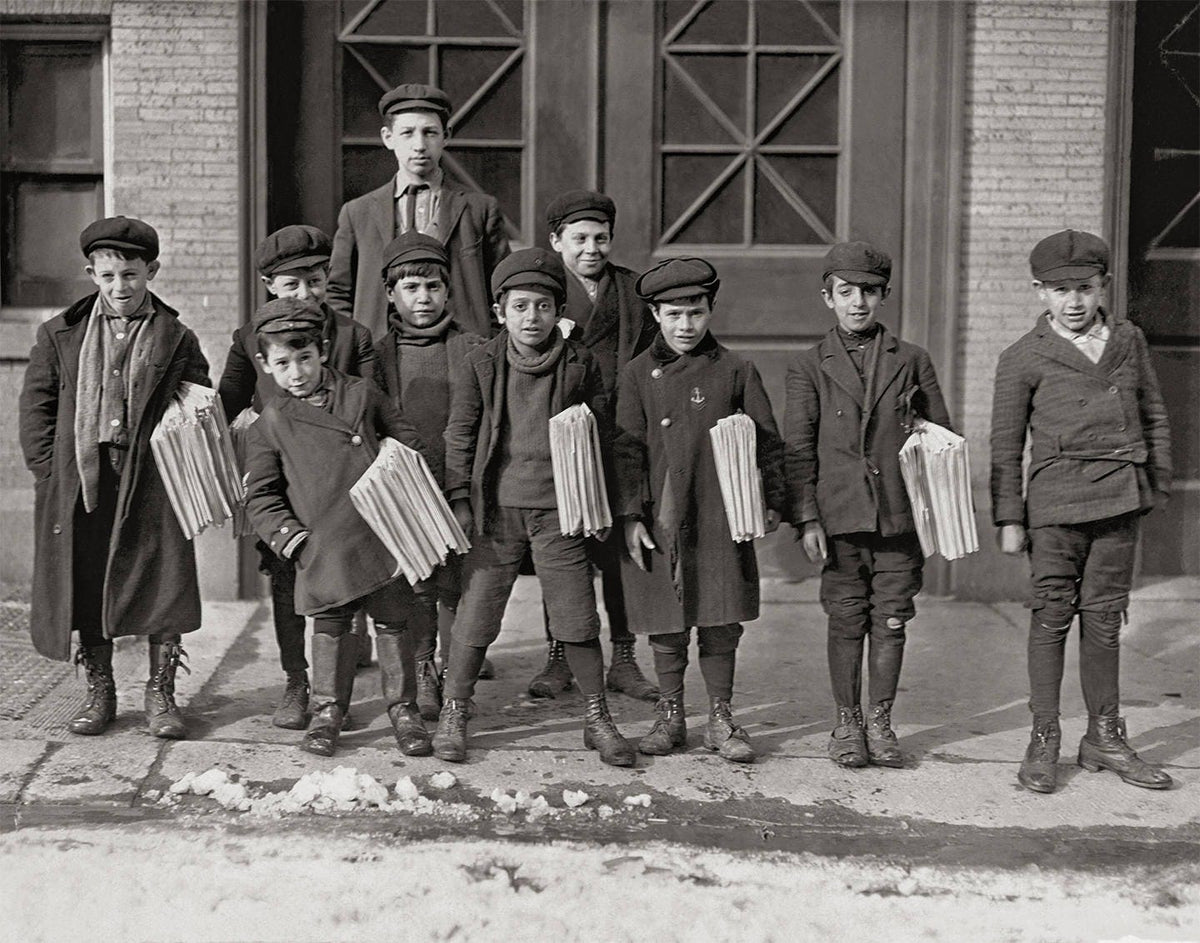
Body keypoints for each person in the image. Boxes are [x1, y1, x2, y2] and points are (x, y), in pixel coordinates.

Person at [433, 248, 635, 767]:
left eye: (543, 307)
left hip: (559, 511)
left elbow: (604, 434)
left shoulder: (579, 363)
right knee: (476, 615)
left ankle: (597, 717)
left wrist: (603, 503)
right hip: (496, 512)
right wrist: (459, 498)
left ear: (558, 312)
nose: (531, 318)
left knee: (576, 614)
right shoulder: (480, 361)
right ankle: (455, 709)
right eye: (520, 306)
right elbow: (461, 433)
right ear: (501, 311)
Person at [990, 229, 1173, 794]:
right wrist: (1010, 517)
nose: (1074, 302)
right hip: (1055, 505)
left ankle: (1104, 735)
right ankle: (1044, 736)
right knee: (1049, 619)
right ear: (1039, 291)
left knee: (1104, 622)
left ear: (1104, 287)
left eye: (1085, 288)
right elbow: (1006, 444)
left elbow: (1153, 414)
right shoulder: (1022, 357)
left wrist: (1155, 486)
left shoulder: (1129, 340)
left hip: (1119, 497)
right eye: (1060, 290)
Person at [18, 216, 210, 739]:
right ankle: (100, 690)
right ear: (92, 274)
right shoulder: (61, 334)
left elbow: (199, 403)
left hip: (152, 481)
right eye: (107, 277)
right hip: (84, 479)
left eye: (130, 275)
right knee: (89, 582)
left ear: (151, 271)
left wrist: (182, 455)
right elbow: (37, 408)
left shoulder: (175, 336)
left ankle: (161, 694)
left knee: (163, 584)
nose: (119, 287)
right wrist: (49, 473)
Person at [783, 241, 951, 769]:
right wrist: (807, 518)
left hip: (899, 517)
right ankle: (846, 723)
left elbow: (941, 438)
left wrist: (936, 511)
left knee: (893, 618)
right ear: (827, 297)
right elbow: (797, 450)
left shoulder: (913, 360)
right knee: (845, 617)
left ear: (884, 297)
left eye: (870, 293)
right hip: (839, 518)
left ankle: (880, 720)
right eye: (846, 292)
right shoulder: (808, 366)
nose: (858, 303)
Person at [242, 297, 434, 758]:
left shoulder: (363, 394)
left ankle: (403, 709)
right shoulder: (270, 424)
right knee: (331, 626)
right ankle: (328, 709)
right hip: (323, 545)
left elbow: (406, 440)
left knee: (393, 622)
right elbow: (261, 495)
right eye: (283, 363)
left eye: (305, 358)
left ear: (323, 352)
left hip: (381, 535)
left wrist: (399, 469)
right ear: (266, 366)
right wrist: (294, 540)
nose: (297, 373)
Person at [615, 257, 787, 764]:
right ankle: (670, 716)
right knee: (667, 619)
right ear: (654, 315)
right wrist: (630, 515)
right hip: (661, 513)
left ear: (711, 310)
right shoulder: (636, 375)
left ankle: (720, 717)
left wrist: (773, 500)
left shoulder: (735, 370)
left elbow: (768, 442)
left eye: (695, 313)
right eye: (673, 315)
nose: (685, 326)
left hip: (717, 513)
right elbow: (624, 449)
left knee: (719, 616)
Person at [217, 224, 375, 730]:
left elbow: (373, 406)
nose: (305, 294)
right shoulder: (249, 338)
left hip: (349, 485)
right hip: (287, 484)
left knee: (356, 585)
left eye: (315, 280)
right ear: (269, 286)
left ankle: (339, 693)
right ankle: (296, 681)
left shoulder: (353, 335)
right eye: (291, 285)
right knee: (287, 580)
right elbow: (228, 401)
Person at [526, 189, 659, 702]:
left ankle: (624, 658)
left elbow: (652, 358)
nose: (591, 249)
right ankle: (559, 655)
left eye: (601, 238)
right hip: (559, 436)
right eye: (579, 238)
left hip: (619, 434)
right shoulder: (542, 289)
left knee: (619, 551)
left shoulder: (631, 291)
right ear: (556, 240)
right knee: (563, 551)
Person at [373, 230, 486, 721]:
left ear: (448, 292)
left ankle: (456, 670)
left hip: (462, 481)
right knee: (418, 582)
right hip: (407, 487)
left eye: (434, 288)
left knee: (458, 584)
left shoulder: (474, 349)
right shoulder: (377, 355)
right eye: (412, 288)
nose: (424, 298)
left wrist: (465, 488)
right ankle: (422, 668)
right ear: (392, 294)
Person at [327, 83, 510, 339]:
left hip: (463, 350)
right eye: (407, 133)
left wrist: (486, 342)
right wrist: (357, 346)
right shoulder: (358, 212)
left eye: (429, 132)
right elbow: (337, 292)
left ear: (446, 136)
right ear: (387, 137)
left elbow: (503, 288)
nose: (419, 145)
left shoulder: (479, 208)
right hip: (381, 350)